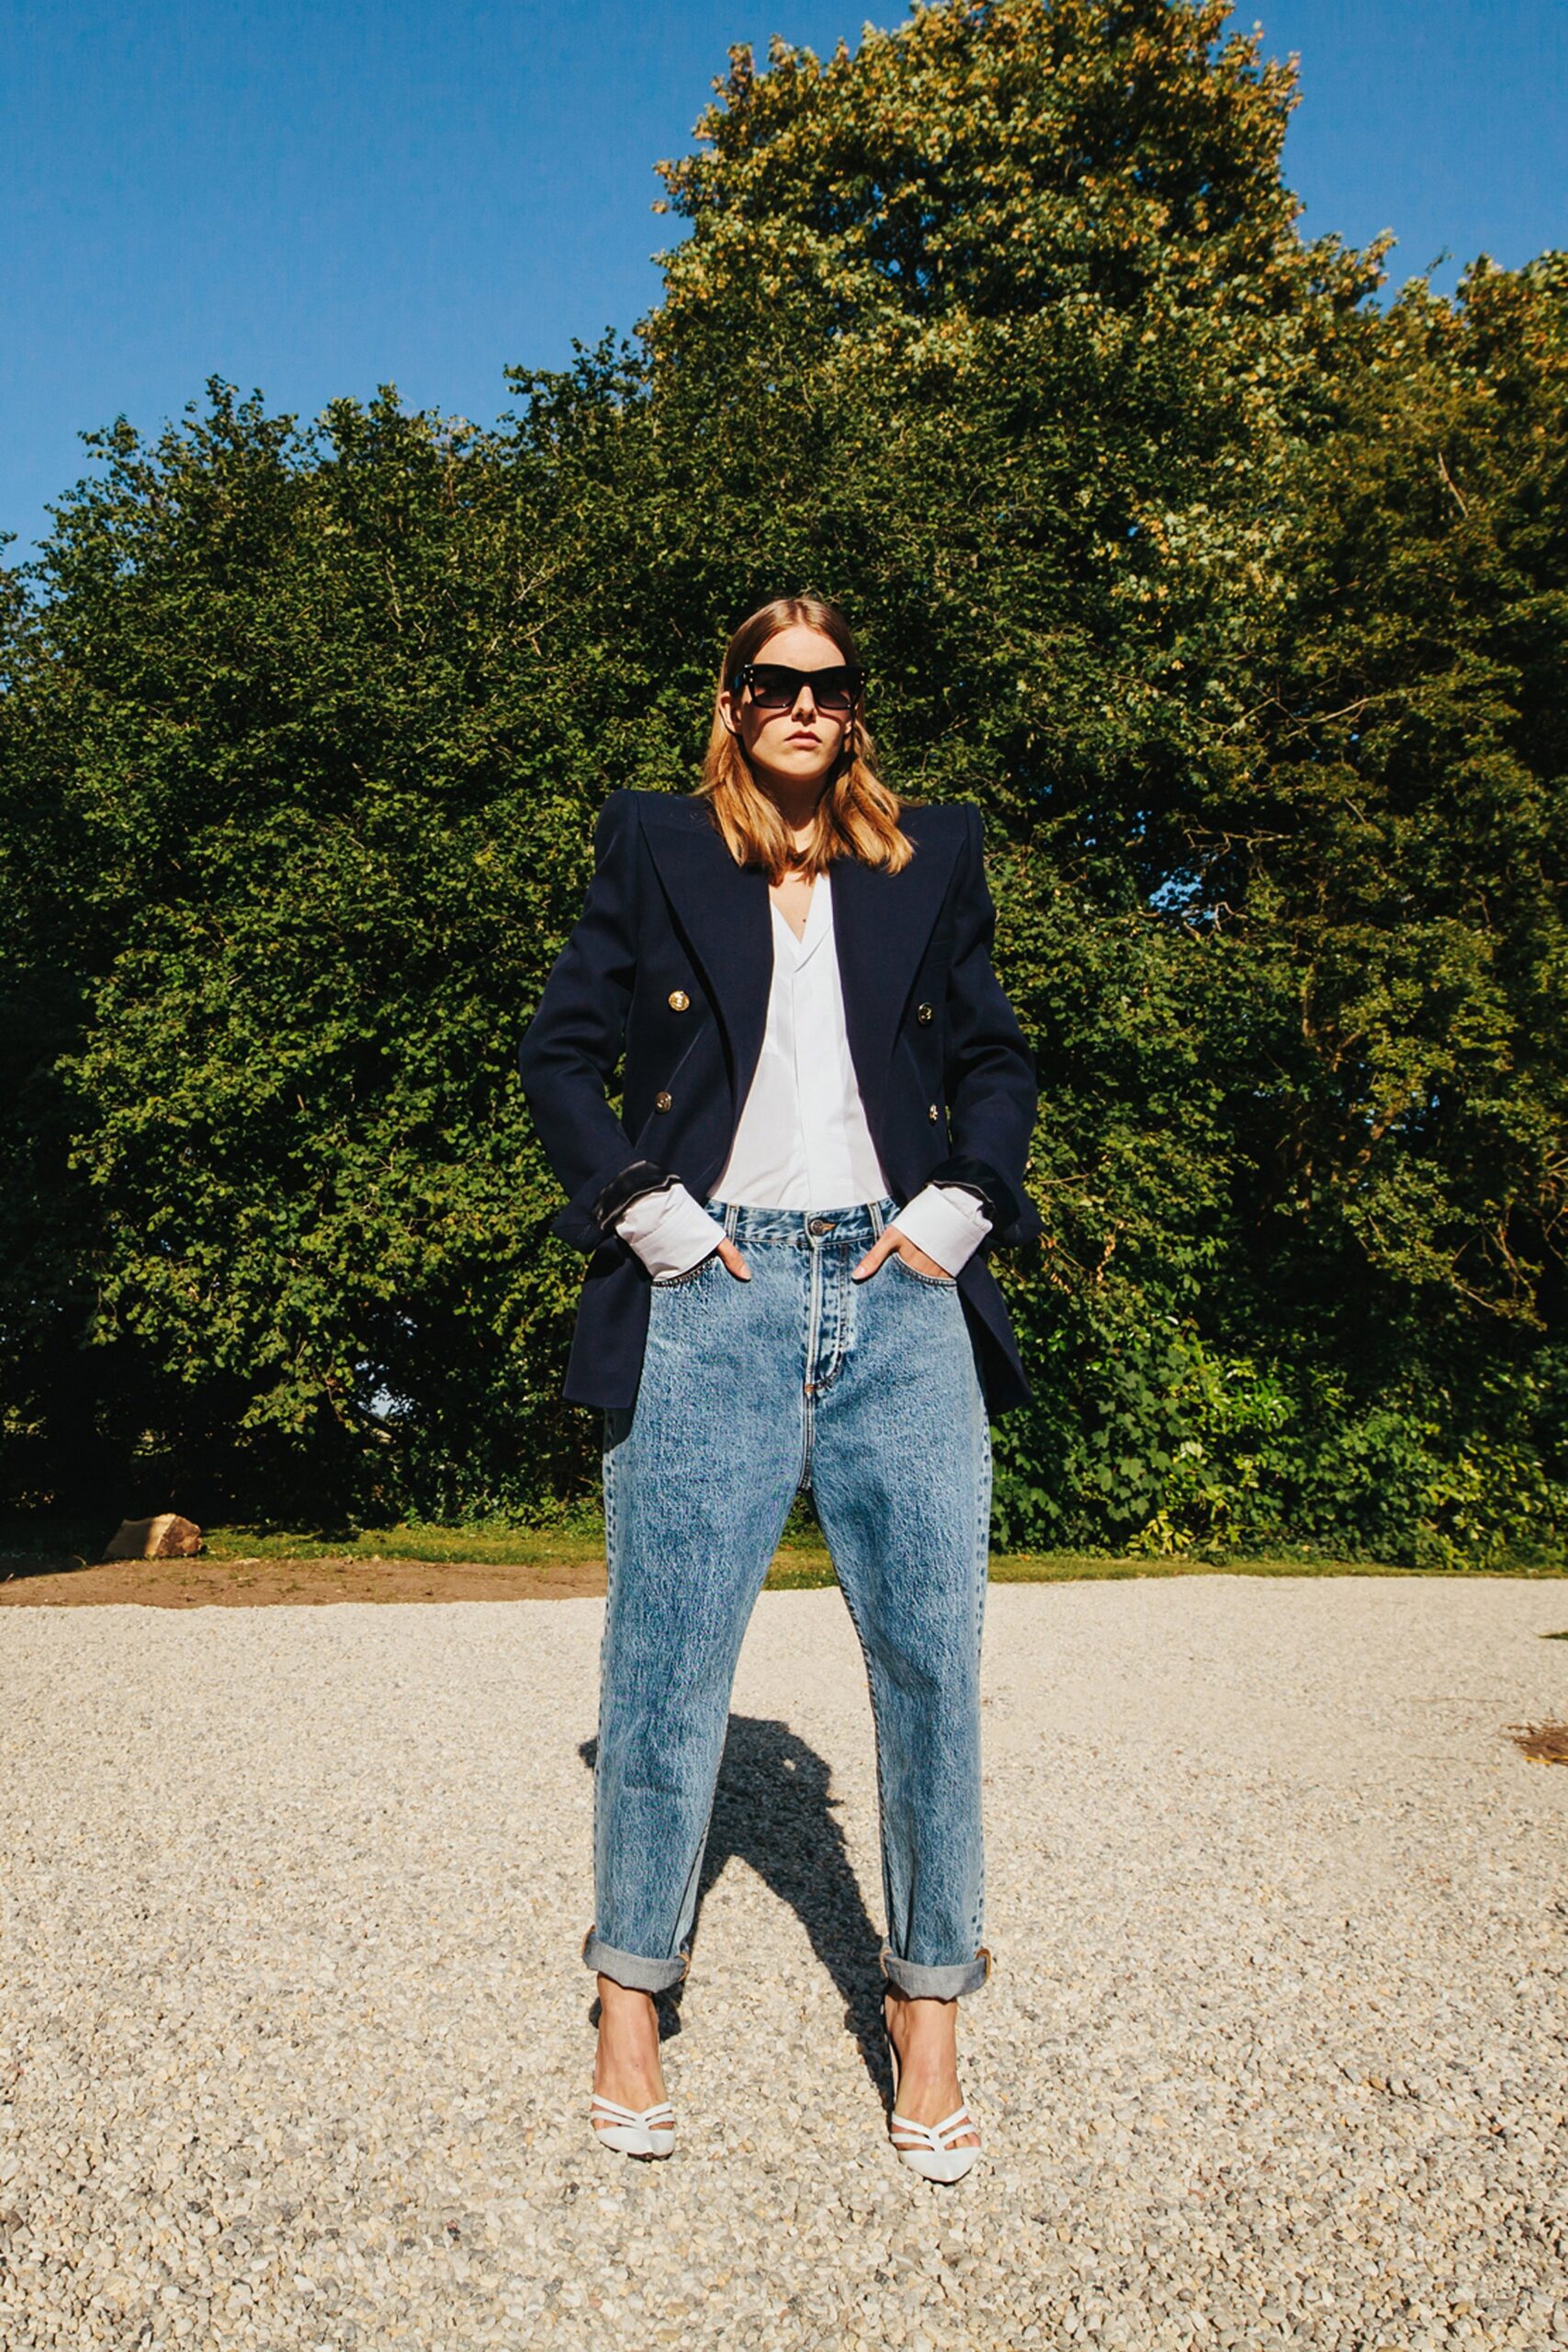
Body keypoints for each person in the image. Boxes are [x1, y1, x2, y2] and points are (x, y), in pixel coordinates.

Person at [517, 594, 1040, 2180]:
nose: (802, 703)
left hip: (898, 1292)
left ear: (854, 710)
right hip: (715, 1291)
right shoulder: (659, 843)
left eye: (828, 683)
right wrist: (647, 1212)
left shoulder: (927, 854)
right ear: (733, 701)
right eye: (771, 681)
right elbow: (560, 1048)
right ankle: (630, 1995)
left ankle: (927, 2007)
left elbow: (996, 1062)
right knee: (665, 1668)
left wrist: (957, 1208)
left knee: (933, 1666)